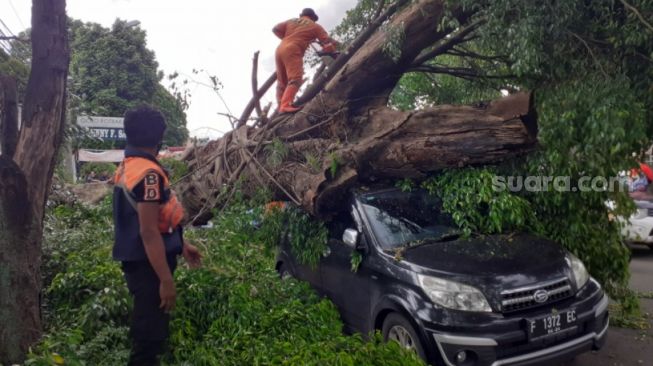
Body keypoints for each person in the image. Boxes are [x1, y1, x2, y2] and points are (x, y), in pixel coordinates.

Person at [112, 105, 202, 365]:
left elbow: (155, 220)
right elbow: (149, 231)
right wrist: (165, 280)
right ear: (159, 138)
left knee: (149, 327)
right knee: (148, 340)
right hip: (149, 268)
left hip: (139, 262)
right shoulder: (150, 175)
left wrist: (182, 245)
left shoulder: (130, 166)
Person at [273, 8, 338, 113]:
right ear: (313, 18)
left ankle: (280, 107)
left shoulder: (291, 21)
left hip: (280, 49)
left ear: (301, 15)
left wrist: (288, 37)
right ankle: (285, 106)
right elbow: (327, 41)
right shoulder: (315, 26)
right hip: (293, 49)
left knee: (282, 82)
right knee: (296, 78)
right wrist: (335, 44)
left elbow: (275, 29)